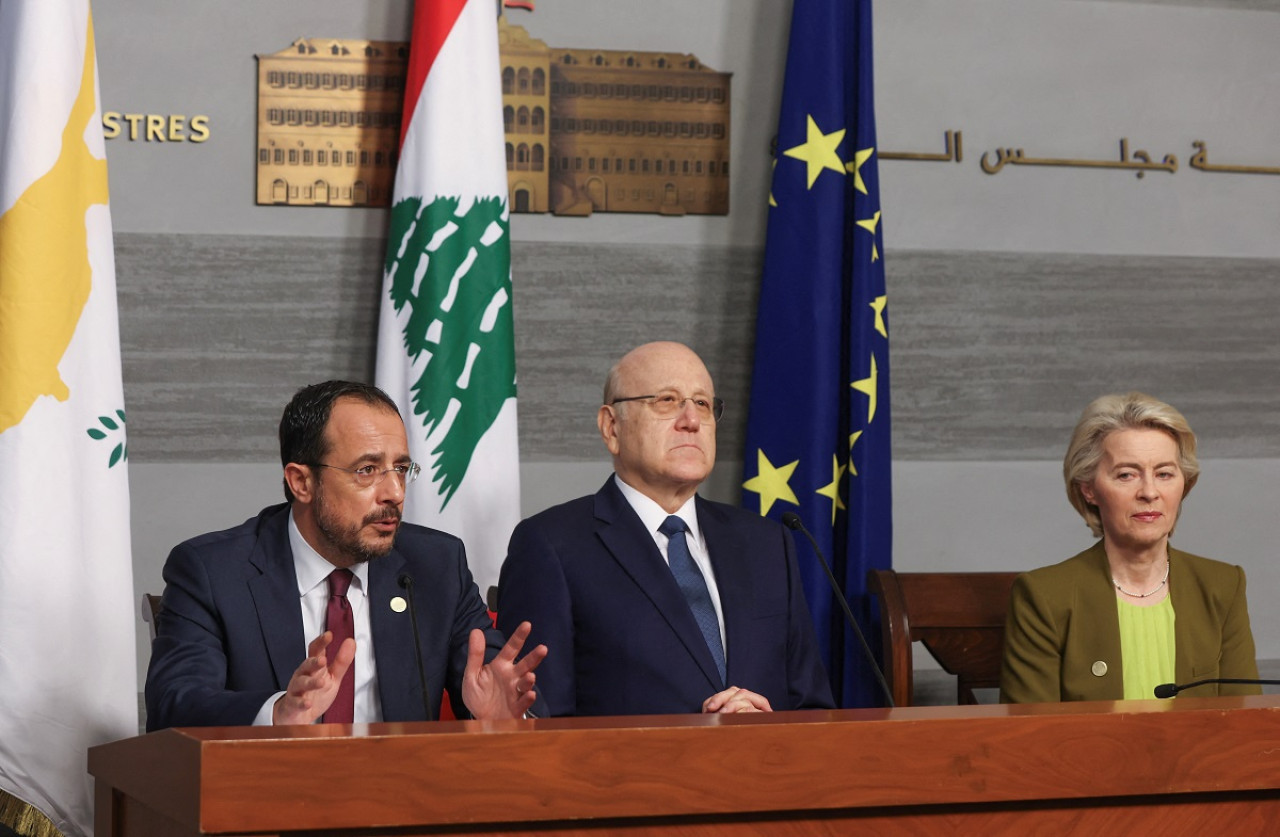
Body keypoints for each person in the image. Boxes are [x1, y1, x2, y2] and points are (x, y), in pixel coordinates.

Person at [145, 381, 546, 730]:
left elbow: (495, 688)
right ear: (301, 481)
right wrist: (279, 713)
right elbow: (174, 705)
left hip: (406, 801)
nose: (395, 493)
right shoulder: (214, 571)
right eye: (367, 470)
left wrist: (500, 718)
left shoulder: (436, 566)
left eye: (401, 468)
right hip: (269, 802)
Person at [497, 341, 833, 716]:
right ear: (612, 427)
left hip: (767, 770)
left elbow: (812, 707)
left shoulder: (768, 543)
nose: (691, 420)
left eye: (703, 403)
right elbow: (542, 722)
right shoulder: (551, 546)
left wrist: (764, 731)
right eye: (667, 401)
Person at [1000, 392, 1259, 703]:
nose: (1149, 492)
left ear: (1183, 484)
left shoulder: (1223, 586)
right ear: (1089, 489)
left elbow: (1246, 724)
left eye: (1164, 474)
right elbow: (1031, 738)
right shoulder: (1043, 596)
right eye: (1126, 475)